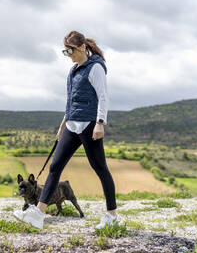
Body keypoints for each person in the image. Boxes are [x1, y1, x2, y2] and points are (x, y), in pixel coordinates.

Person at [13, 30, 121, 230]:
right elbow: (70, 101)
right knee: (55, 167)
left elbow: (103, 97)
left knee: (100, 169)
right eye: (65, 51)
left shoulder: (96, 67)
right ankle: (38, 214)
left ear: (81, 47)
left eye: (70, 50)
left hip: (89, 125)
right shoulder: (73, 71)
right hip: (72, 125)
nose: (68, 55)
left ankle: (113, 216)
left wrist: (100, 122)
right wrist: (63, 125)